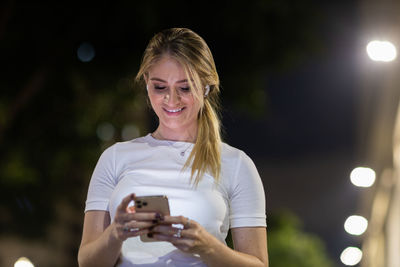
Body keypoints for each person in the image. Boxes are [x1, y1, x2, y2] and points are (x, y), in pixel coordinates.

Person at [78, 28, 269, 267]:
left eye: (185, 87)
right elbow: (87, 262)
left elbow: (259, 264)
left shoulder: (236, 164)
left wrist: (208, 247)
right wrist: (116, 233)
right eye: (160, 87)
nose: (172, 99)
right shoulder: (115, 158)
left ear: (207, 87)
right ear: (147, 82)